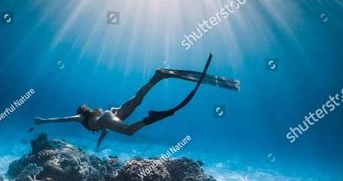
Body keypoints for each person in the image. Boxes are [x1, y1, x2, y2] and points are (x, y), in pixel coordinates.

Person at [33, 54, 239, 147]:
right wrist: (99, 140)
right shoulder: (94, 117)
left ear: (81, 111)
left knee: (129, 131)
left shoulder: (81, 117)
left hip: (107, 116)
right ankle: (158, 76)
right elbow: (104, 129)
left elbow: (63, 119)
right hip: (110, 114)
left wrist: (43, 121)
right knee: (138, 98)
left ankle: (155, 118)